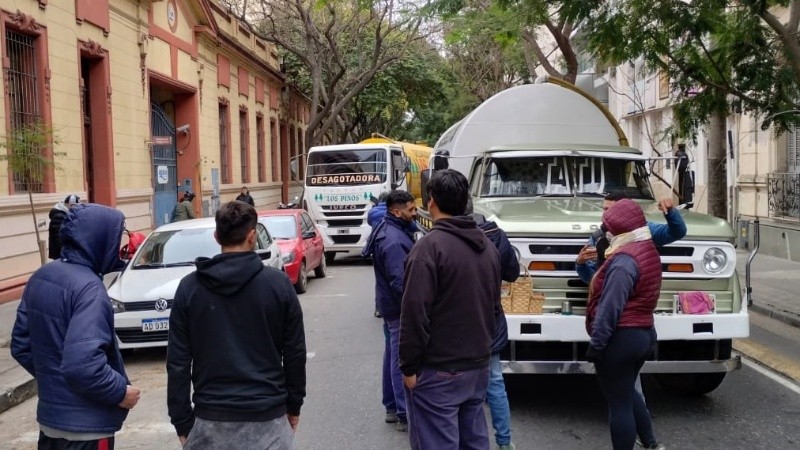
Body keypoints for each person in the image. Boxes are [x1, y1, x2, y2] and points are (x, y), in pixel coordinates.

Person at [167, 201, 306, 449]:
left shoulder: (190, 288)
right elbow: (295, 353)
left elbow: (177, 362)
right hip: (268, 419)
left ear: (216, 236)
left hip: (210, 420)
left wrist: (182, 421)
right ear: (252, 236)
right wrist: (293, 405)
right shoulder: (278, 285)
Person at [12, 203, 141, 449]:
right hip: (87, 432)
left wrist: (54, 384)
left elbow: (21, 345)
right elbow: (83, 366)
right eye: (116, 237)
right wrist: (120, 392)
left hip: (51, 423)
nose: (118, 245)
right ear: (99, 239)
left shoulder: (41, 276)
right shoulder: (90, 290)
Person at [400, 169, 502, 450]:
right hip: (477, 364)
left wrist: (408, 366)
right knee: (474, 442)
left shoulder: (429, 249)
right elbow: (494, 305)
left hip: (439, 369)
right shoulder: (487, 248)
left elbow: (414, 313)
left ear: (431, 201)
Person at [585, 199, 663, 450]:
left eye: (610, 227)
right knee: (627, 391)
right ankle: (650, 443)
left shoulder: (624, 261)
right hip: (644, 333)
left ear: (621, 229)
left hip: (621, 339)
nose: (606, 232)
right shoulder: (646, 248)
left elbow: (610, 308)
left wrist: (597, 345)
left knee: (619, 404)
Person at [363, 190, 417, 433]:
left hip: (390, 307)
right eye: (411, 210)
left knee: (392, 355)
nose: (415, 213)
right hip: (398, 309)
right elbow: (401, 282)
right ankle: (404, 411)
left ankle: (392, 406)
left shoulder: (390, 230)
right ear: (397, 211)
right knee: (399, 359)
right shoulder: (394, 240)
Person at [467, 201, 519, 450]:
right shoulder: (496, 234)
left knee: (463, 385)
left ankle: (470, 439)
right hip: (491, 315)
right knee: (495, 382)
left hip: (459, 322)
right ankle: (504, 441)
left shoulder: (444, 238)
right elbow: (512, 273)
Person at [366, 191, 390, 318]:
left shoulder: (373, 212)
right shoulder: (394, 211)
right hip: (392, 247)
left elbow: (370, 223)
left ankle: (378, 307)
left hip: (377, 247)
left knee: (380, 279)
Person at [48, 194, 80, 259]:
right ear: (72, 205)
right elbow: (58, 237)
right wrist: (65, 254)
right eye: (77, 206)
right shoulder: (59, 216)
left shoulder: (65, 215)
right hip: (61, 254)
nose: (78, 209)